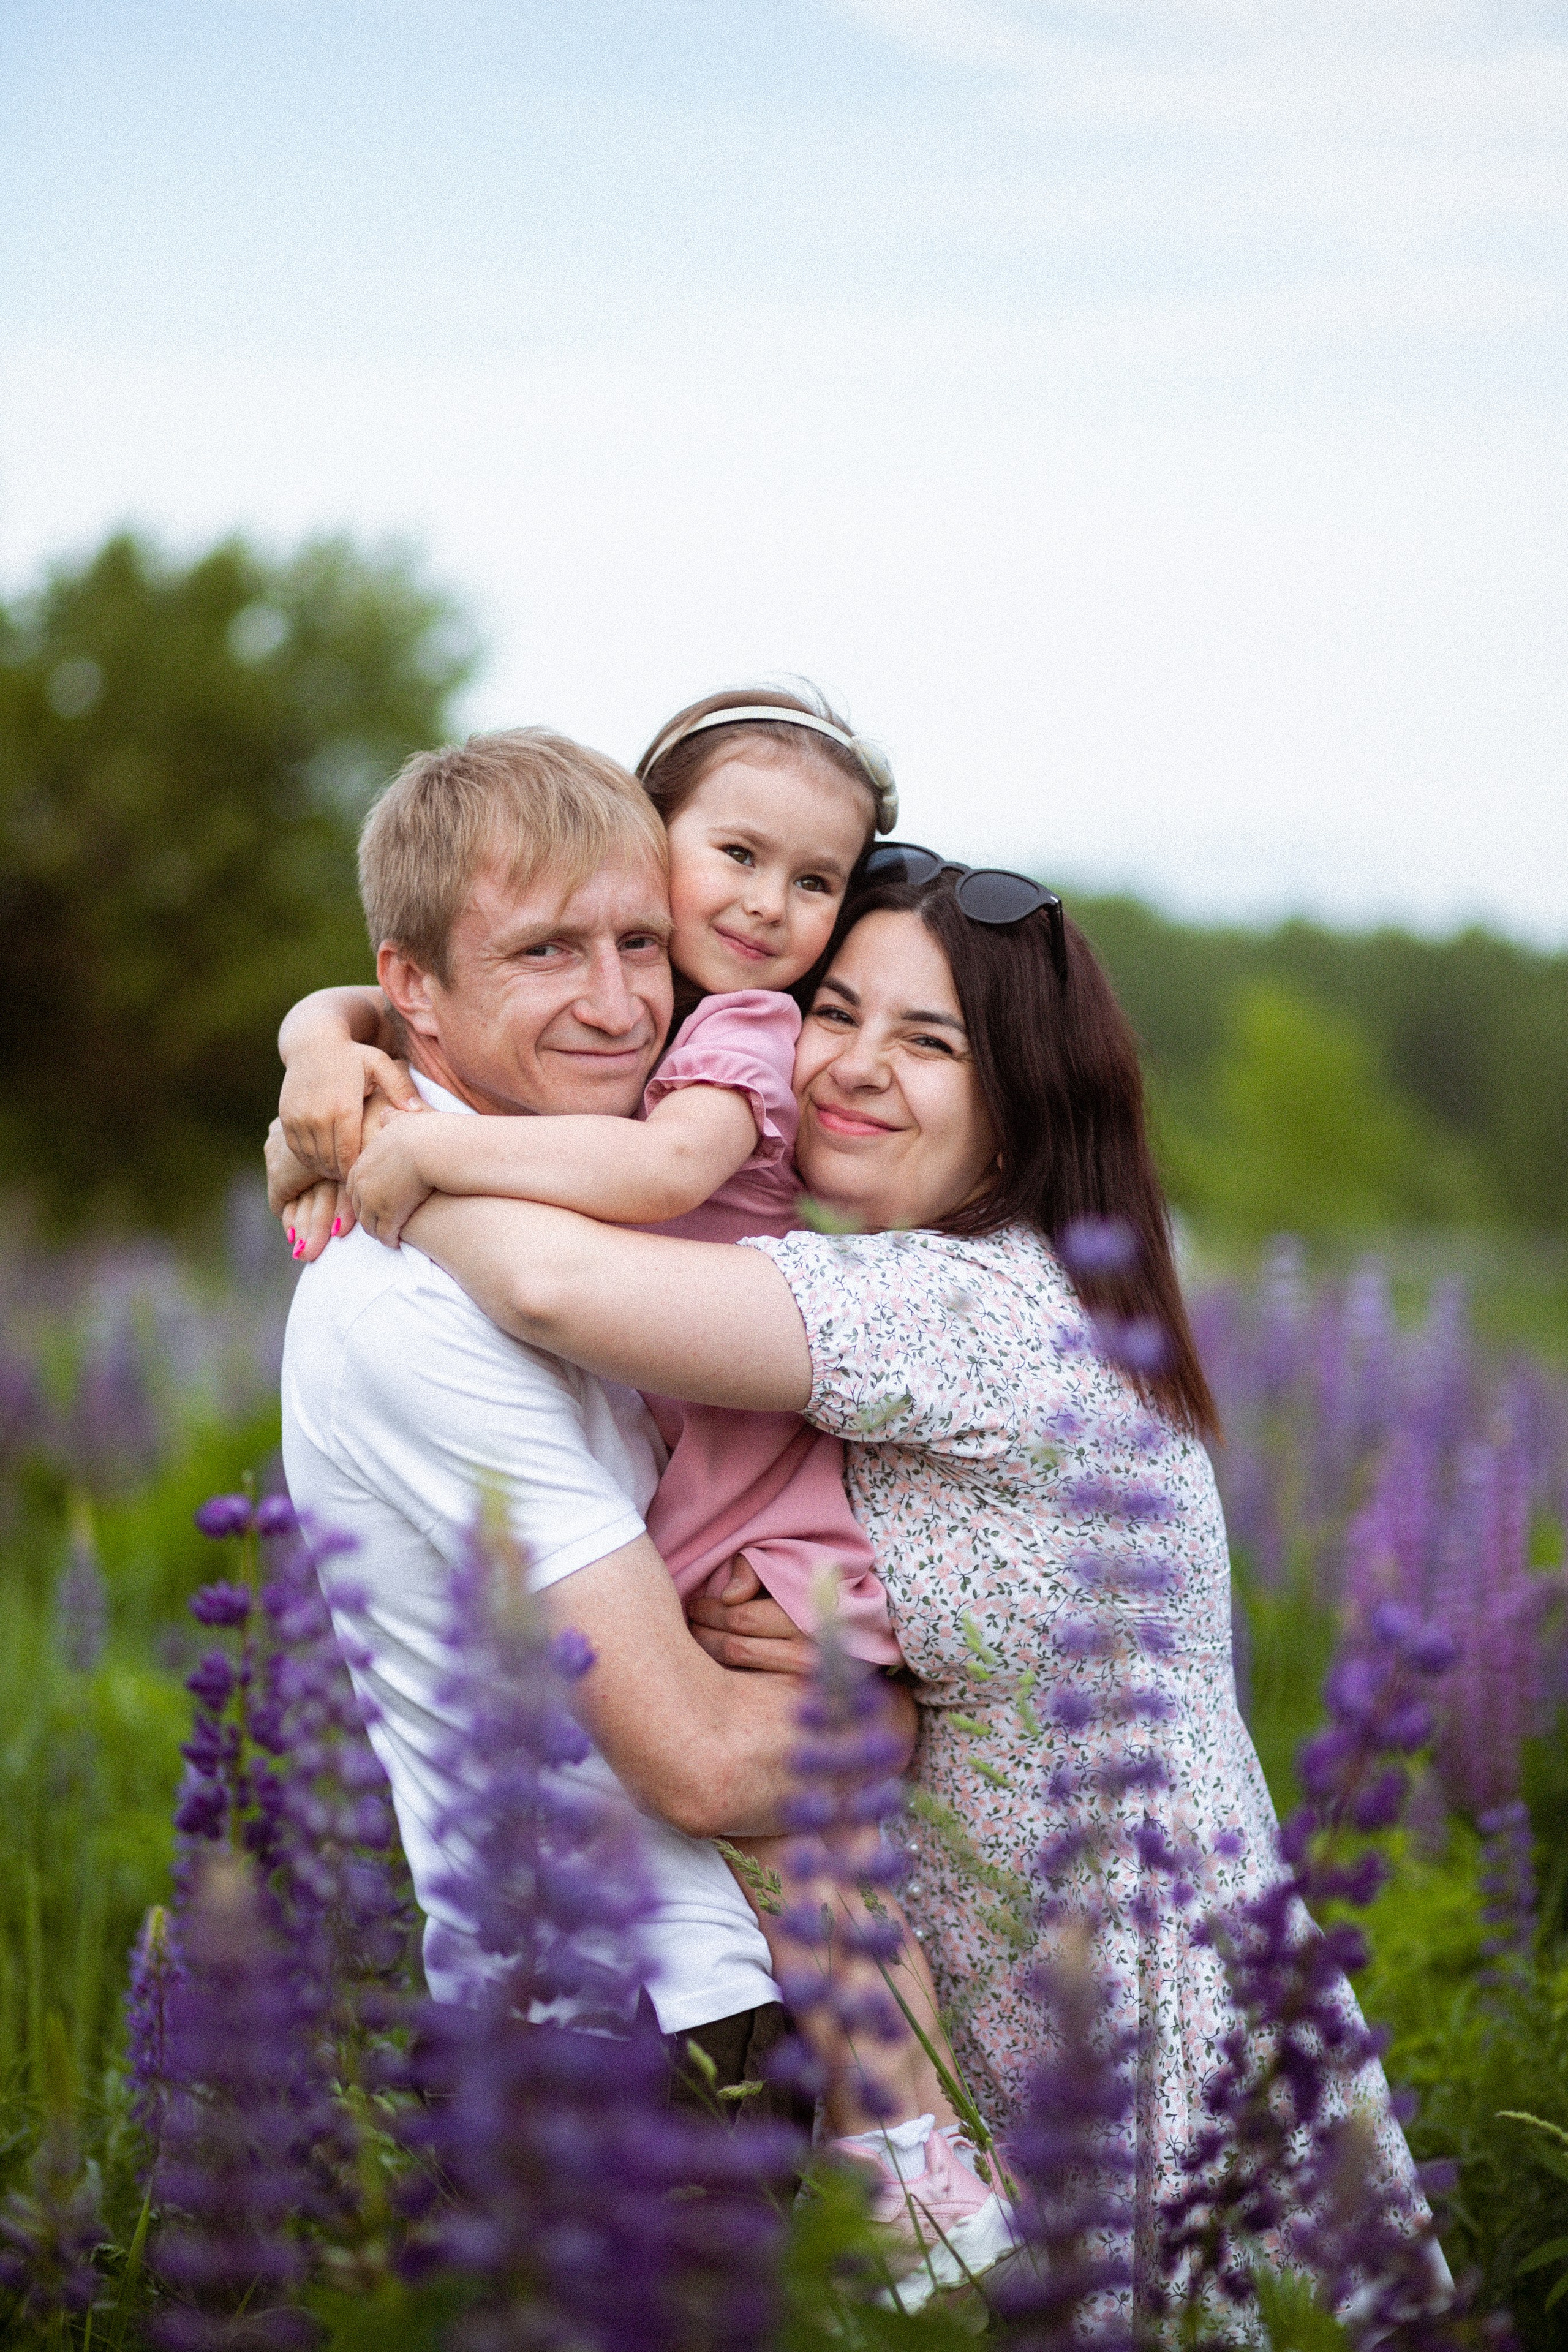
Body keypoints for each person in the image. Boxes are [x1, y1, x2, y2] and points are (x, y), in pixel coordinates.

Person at [375, 854, 1425, 2281]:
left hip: (1139, 2050)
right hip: (1028, 2016)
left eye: (927, 1043)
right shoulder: (991, 1281)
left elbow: (552, 1287)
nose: (851, 1070)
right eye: (832, 1014)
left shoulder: (961, 1304)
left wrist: (383, 1162)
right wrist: (327, 1028)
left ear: (1024, 1098)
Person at [268, 693, 1016, 2288]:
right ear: (421, 992)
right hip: (615, 2027)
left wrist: (318, 1040)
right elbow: (696, 1767)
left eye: (639, 944)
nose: (616, 1003)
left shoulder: (579, 1216)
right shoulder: (419, 1296)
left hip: (715, 2003)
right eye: (547, 953)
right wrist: (891, 1715)